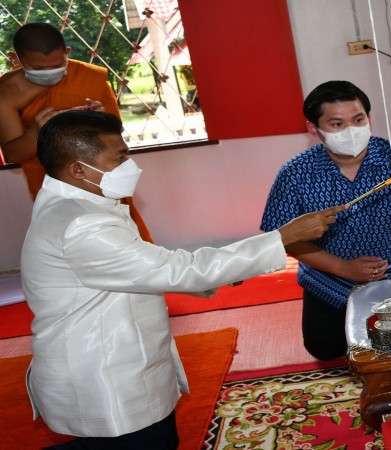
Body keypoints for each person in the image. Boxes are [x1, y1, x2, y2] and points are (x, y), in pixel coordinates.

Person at [22, 110, 342, 450]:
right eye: (119, 158)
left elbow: (145, 269)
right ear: (78, 169)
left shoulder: (71, 202)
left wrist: (230, 268)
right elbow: (178, 269)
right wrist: (283, 237)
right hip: (105, 372)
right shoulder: (83, 224)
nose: (130, 164)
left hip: (108, 354)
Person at [260, 80, 391, 361]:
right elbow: (286, 240)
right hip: (328, 281)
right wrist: (342, 267)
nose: (351, 131)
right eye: (337, 124)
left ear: (368, 118)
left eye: (358, 120)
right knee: (324, 349)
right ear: (314, 128)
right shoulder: (295, 174)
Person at [0, 22, 154, 242]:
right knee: (71, 237)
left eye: (57, 64)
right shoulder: (7, 90)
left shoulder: (90, 77)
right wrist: (36, 132)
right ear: (16, 59)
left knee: (121, 234)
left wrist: (99, 119)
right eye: (38, 69)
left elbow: (116, 137)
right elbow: (14, 153)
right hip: (50, 178)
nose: (49, 73)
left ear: (67, 53)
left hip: (99, 172)